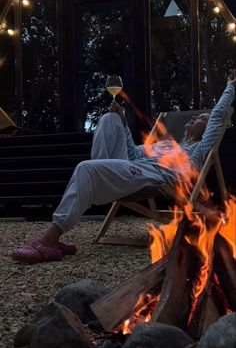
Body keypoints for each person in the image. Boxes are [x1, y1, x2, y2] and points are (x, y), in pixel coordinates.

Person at [12, 72, 236, 263]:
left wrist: (231, 86)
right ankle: (99, 181)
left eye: (201, 118)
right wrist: (124, 122)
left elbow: (218, 117)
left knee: (86, 169)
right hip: (132, 167)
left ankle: (50, 240)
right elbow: (132, 153)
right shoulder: (166, 145)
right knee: (110, 119)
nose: (197, 116)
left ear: (207, 129)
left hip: (151, 177)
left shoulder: (198, 151)